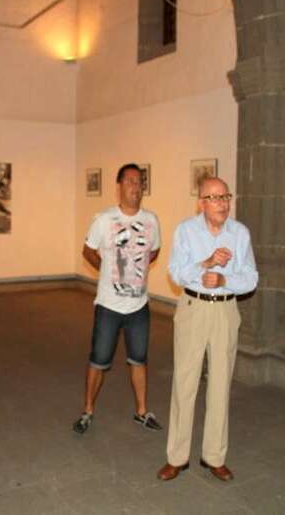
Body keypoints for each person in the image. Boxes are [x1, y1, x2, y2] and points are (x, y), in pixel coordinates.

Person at [158, 176, 258, 482]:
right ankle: (177, 457)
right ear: (201, 203)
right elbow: (175, 273)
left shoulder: (240, 233)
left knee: (220, 383)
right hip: (194, 308)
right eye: (215, 198)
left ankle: (214, 456)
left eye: (225, 197)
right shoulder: (186, 231)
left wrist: (225, 279)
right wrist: (206, 264)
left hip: (225, 310)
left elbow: (251, 278)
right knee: (185, 382)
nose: (222, 204)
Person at [72, 164, 163, 434]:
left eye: (139, 182)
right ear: (119, 186)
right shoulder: (104, 219)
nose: (136, 186)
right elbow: (88, 250)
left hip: (139, 306)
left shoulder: (151, 220)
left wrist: (136, 269)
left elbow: (154, 251)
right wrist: (107, 269)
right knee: (98, 360)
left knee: (139, 359)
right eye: (130, 181)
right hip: (108, 306)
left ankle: (141, 412)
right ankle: (87, 411)